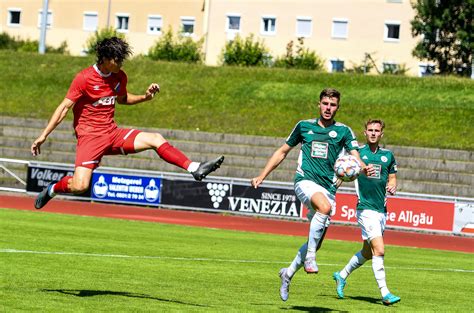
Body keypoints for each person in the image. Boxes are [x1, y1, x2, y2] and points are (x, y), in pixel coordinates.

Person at [31, 37, 224, 209]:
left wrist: (145, 97)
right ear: (105, 59)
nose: (120, 63)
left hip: (112, 133)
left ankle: (194, 168)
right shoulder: (84, 78)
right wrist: (43, 135)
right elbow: (64, 107)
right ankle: (52, 190)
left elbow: (122, 98)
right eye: (117, 59)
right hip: (90, 138)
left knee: (155, 138)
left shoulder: (119, 76)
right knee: (80, 186)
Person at [250, 88, 374, 301]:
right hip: (305, 181)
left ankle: (287, 274)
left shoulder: (344, 131)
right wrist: (262, 175)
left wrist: (363, 167)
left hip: (329, 189)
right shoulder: (303, 126)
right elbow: (282, 152)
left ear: (337, 107)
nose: (328, 108)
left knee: (316, 240)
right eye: (325, 103)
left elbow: (355, 155)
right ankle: (310, 258)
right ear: (319, 104)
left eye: (332, 105)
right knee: (324, 209)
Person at [332, 119, 400, 306]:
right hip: (365, 209)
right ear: (365, 132)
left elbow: (393, 178)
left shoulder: (388, 156)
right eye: (370, 130)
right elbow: (341, 173)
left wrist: (392, 186)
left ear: (381, 134)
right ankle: (385, 294)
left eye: (376, 131)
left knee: (367, 252)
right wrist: (333, 189)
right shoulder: (357, 154)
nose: (373, 133)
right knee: (379, 249)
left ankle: (341, 275)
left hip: (381, 211)